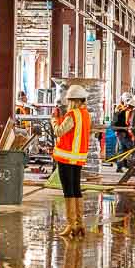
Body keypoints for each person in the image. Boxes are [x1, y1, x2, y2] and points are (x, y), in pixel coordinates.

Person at [51, 84, 93, 237]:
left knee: (68, 191)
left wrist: (54, 120)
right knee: (76, 189)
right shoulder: (85, 114)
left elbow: (59, 132)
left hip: (66, 158)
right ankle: (79, 223)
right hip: (78, 158)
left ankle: (71, 224)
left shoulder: (72, 115)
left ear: (72, 100)